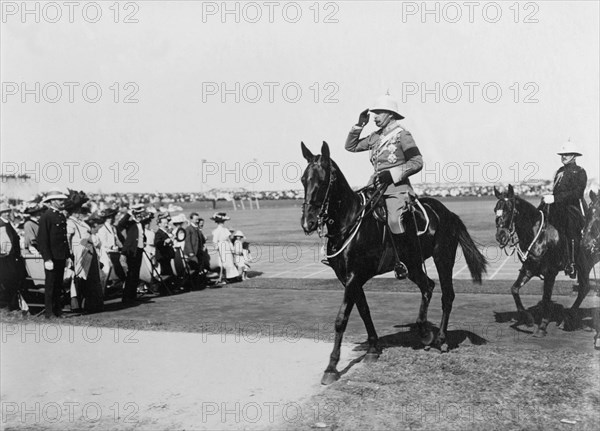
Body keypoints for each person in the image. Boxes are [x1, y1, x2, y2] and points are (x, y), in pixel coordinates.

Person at [345, 93, 423, 279]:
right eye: (374, 113)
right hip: (375, 188)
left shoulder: (402, 135)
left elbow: (417, 161)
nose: (375, 117)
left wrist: (393, 174)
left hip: (397, 189)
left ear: (390, 114)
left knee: (394, 220)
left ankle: (404, 260)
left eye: (378, 113)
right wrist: (359, 125)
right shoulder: (375, 137)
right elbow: (351, 146)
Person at [541, 141, 588, 278]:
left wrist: (556, 198)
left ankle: (571, 263)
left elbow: (577, 193)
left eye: (566, 154)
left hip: (572, 207)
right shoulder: (559, 171)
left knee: (570, 229)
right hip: (556, 206)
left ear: (574, 156)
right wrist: (550, 198)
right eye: (562, 154)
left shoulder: (580, 171)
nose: (564, 156)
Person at [65, 199, 103, 313]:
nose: (80, 214)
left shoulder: (81, 222)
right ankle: (77, 304)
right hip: (80, 253)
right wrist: (70, 253)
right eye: (78, 211)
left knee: (90, 278)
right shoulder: (70, 223)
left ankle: (91, 304)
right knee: (79, 278)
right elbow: (68, 239)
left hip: (88, 252)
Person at [37, 190, 70, 318]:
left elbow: (63, 239)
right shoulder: (46, 216)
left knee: (58, 285)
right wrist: (47, 259)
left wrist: (67, 256)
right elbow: (43, 240)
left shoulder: (61, 216)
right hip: (52, 257)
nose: (62, 202)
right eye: (60, 200)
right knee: (50, 285)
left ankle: (57, 311)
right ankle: (49, 313)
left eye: (63, 200)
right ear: (52, 201)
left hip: (60, 256)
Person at [117, 204, 147, 304]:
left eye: (140, 213)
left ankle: (133, 296)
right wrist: (129, 213)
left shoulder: (141, 223)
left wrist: (144, 241)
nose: (139, 215)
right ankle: (126, 297)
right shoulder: (130, 223)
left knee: (136, 274)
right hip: (131, 251)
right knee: (130, 274)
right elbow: (120, 224)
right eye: (137, 213)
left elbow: (142, 235)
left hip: (139, 250)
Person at [0, 202, 27, 312]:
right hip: (6, 258)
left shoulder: (7, 224)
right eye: (4, 212)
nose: (6, 213)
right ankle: (6, 306)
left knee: (12, 281)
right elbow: (4, 243)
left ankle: (12, 305)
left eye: (7, 211)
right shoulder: (2, 225)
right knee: (7, 281)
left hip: (12, 258)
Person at [210, 212, 239, 283]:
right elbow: (215, 241)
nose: (222, 223)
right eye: (221, 221)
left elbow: (228, 240)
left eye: (223, 221)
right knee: (224, 262)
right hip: (221, 246)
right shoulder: (217, 231)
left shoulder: (225, 230)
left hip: (226, 246)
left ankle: (231, 277)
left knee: (229, 261)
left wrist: (231, 248)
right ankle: (225, 277)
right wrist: (217, 248)